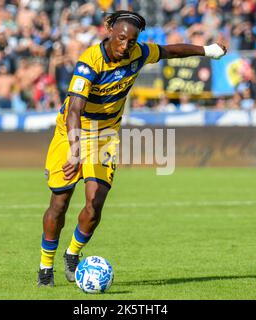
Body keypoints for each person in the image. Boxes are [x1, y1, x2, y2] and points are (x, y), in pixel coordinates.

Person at [37, 10, 227, 287]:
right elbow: (74, 110)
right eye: (121, 39)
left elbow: (170, 51)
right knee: (60, 202)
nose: (125, 46)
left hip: (105, 135)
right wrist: (75, 150)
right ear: (109, 31)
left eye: (131, 41)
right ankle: (45, 267)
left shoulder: (138, 53)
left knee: (94, 205)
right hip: (72, 132)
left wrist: (207, 50)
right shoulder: (89, 63)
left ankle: (72, 255)